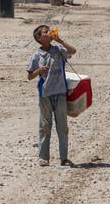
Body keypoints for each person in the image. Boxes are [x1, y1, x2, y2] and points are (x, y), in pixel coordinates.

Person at [27, 25, 78, 168]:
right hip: (45, 94)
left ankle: (64, 158)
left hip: (60, 92)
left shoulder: (58, 50)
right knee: (45, 126)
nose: (49, 33)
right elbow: (30, 76)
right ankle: (43, 157)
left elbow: (73, 51)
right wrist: (39, 70)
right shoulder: (36, 56)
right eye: (45, 32)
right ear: (39, 38)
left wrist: (60, 40)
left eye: (49, 31)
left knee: (62, 126)